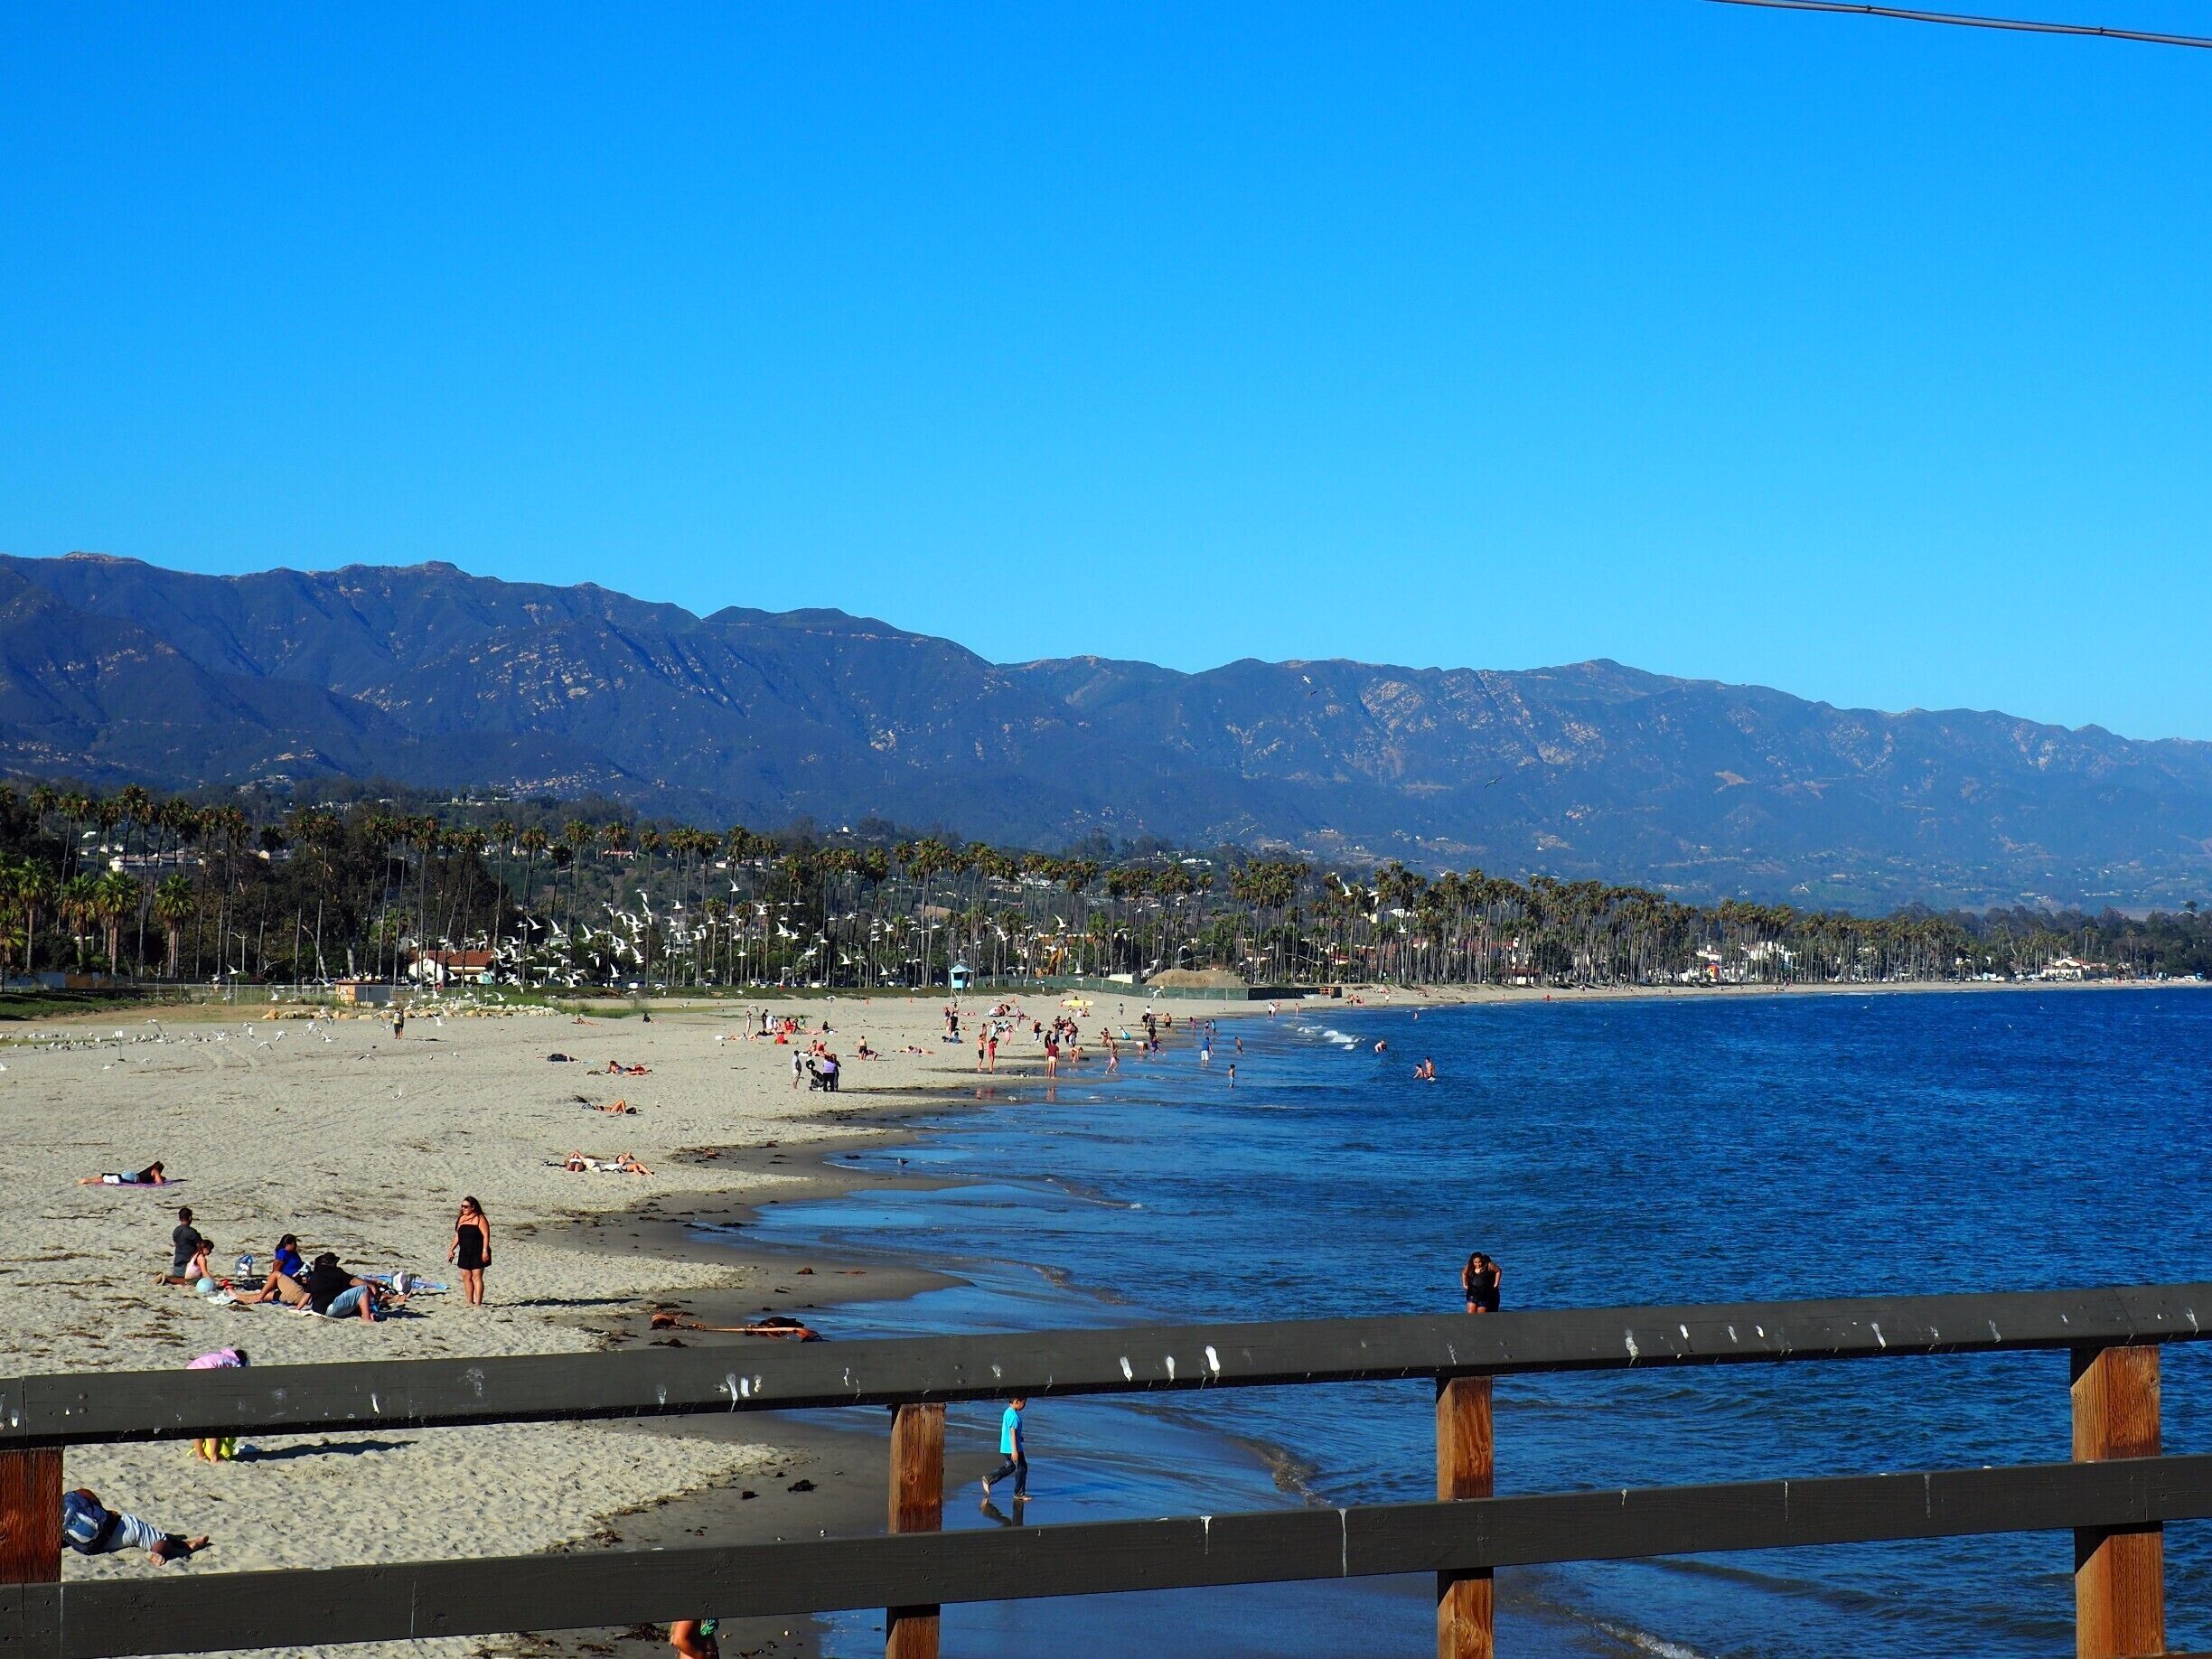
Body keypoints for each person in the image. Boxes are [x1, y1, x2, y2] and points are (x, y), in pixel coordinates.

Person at [61, 1487, 208, 1566]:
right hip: (119, 1530)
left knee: (153, 1534)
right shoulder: (74, 1496)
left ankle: (186, 1544)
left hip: (93, 1548)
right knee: (159, 1540)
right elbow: (98, 1508)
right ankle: (158, 1553)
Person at [981, 1396, 1027, 1502]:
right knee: (1022, 1468)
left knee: (1010, 1467)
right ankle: (1019, 1493)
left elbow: (1010, 1431)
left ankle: (989, 1478)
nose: (1024, 1405)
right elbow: (1012, 1432)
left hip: (1006, 1447)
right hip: (1013, 1448)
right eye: (1023, 1402)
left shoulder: (1008, 1412)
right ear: (1017, 1401)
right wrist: (1015, 1450)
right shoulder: (1014, 1416)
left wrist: (1019, 1438)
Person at [449, 1196, 491, 1306]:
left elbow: (486, 1235)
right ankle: (469, 1301)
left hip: (478, 1251)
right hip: (464, 1251)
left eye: (466, 1206)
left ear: (473, 1207)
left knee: (477, 1277)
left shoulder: (480, 1218)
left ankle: (478, 1303)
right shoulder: (461, 1219)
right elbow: (458, 1236)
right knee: (466, 1277)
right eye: (462, 1206)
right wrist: (451, 1249)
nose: (463, 1208)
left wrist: (485, 1250)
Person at [158, 1206, 204, 1284]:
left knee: (181, 1277)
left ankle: (166, 1278)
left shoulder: (176, 1231)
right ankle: (167, 1279)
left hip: (177, 1263)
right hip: (188, 1264)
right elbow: (200, 1246)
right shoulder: (192, 1232)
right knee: (193, 1281)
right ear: (190, 1218)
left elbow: (176, 1244)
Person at [1463, 1251, 1502, 1315]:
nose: (1478, 1264)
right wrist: (1465, 1285)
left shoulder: (1489, 1267)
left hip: (1487, 1294)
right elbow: (1464, 1273)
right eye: (1476, 1262)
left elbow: (1498, 1271)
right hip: (1473, 1294)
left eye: (1480, 1262)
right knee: (1471, 1313)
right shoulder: (1470, 1267)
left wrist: (1496, 1284)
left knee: (1490, 1311)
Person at [81, 1161, 167, 1186]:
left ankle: (89, 1180)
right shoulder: (156, 1172)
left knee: (113, 1176)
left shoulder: (151, 1170)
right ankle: (88, 1181)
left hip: (132, 1175)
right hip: (133, 1179)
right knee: (113, 1179)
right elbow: (159, 1183)